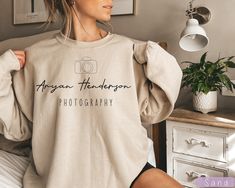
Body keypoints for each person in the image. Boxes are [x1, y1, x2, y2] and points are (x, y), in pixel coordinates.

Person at [0, 0, 183, 187]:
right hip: (61, 178)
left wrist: (154, 55)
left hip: (131, 170)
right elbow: (18, 129)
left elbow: (152, 112)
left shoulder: (127, 51)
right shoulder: (37, 57)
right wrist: (2, 71)